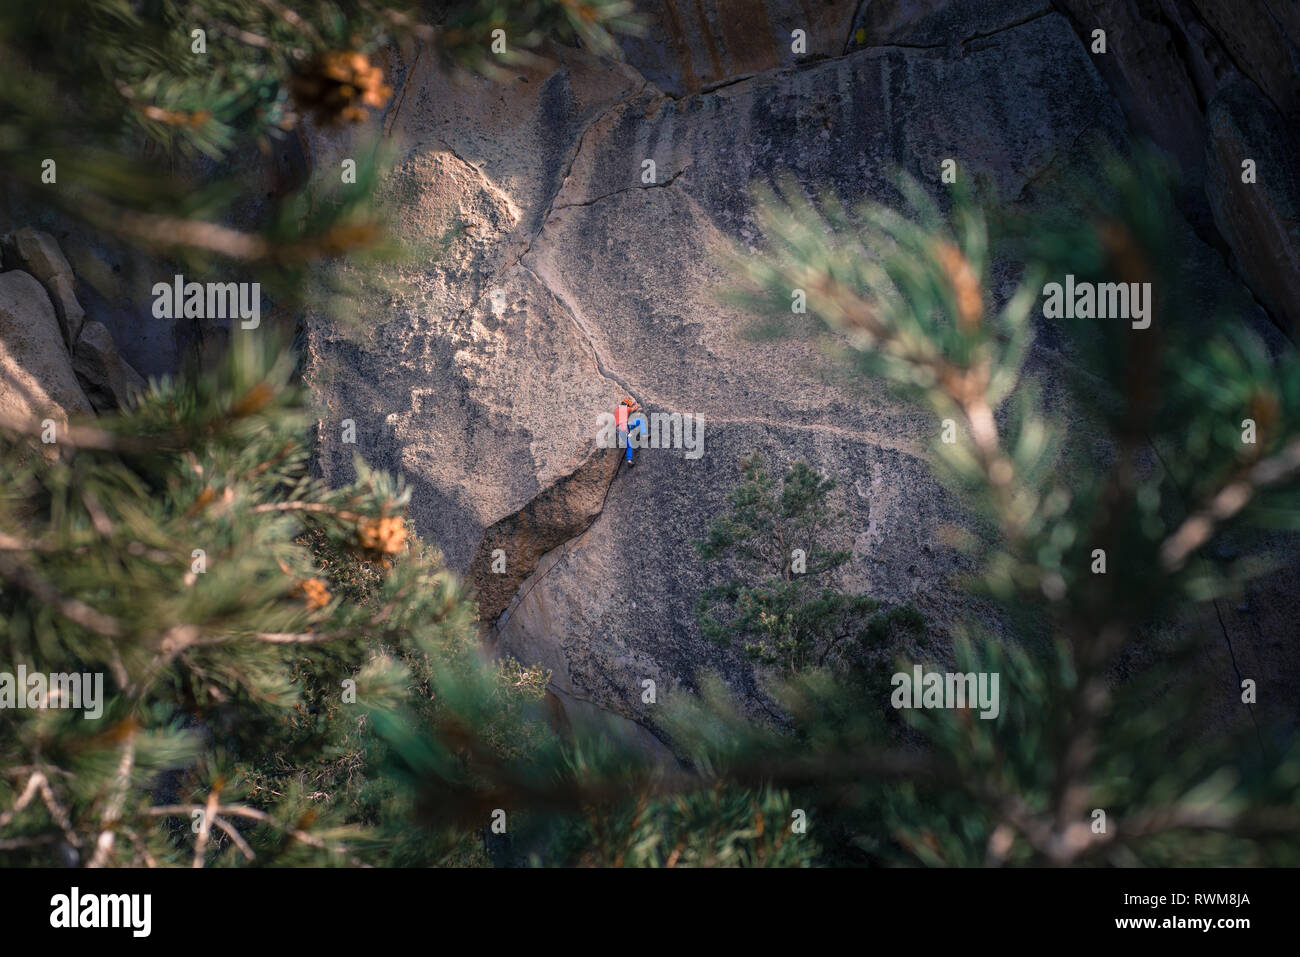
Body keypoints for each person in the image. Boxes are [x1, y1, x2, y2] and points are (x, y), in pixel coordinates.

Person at [616, 397, 647, 466]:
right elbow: (634, 408)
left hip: (619, 429)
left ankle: (629, 461)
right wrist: (636, 405)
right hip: (624, 427)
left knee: (629, 445)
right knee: (640, 420)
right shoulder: (626, 409)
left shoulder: (617, 410)